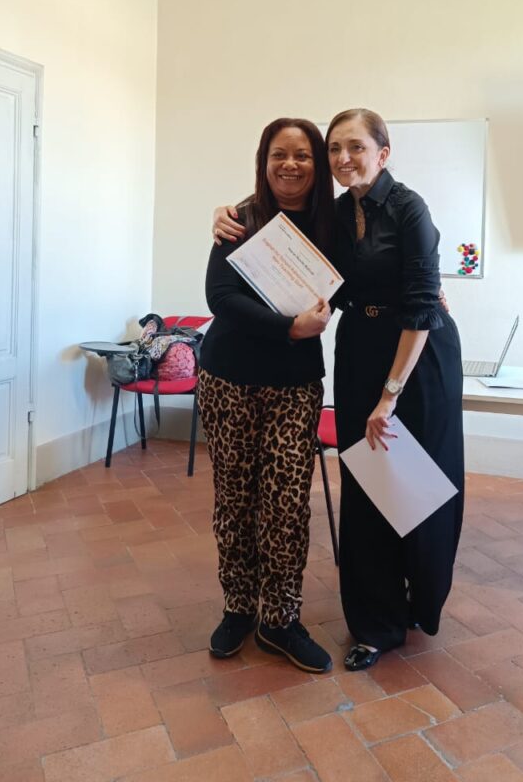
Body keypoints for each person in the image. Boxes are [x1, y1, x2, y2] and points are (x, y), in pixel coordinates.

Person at [213, 109, 464, 671]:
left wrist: (389, 396)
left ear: (383, 152)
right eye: (334, 149)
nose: (343, 158)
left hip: (416, 359)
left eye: (356, 147)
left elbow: (421, 306)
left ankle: (420, 602)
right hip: (359, 351)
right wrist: (223, 213)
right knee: (368, 487)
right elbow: (287, 252)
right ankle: (375, 624)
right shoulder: (333, 213)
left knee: (418, 487)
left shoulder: (409, 208)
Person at [198, 117, 336, 673]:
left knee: (285, 505)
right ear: (264, 160)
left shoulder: (334, 226)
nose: (290, 165)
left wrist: (431, 289)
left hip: (294, 387)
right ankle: (238, 608)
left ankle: (280, 619)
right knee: (234, 499)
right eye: (280, 154)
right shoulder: (240, 218)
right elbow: (220, 297)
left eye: (302, 155)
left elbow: (368, 278)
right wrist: (289, 328)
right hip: (227, 378)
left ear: (317, 164)